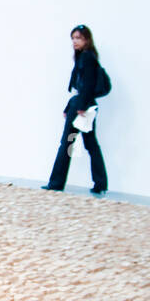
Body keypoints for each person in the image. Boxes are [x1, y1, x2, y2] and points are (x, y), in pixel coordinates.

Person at [41, 24, 108, 195]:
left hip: (83, 108)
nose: (74, 42)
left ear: (87, 40)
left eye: (78, 38)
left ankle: (56, 183)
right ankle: (100, 184)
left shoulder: (86, 58)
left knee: (68, 143)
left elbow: (88, 84)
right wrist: (72, 105)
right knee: (90, 144)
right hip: (84, 106)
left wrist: (80, 106)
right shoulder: (86, 57)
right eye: (73, 38)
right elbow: (82, 87)